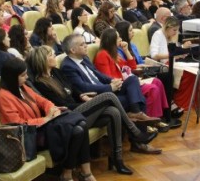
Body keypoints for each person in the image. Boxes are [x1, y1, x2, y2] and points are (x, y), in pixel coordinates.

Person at [27, 45, 161, 168]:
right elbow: (62, 104)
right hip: (68, 114)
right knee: (109, 96)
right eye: (51, 55)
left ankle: (117, 159)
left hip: (78, 107)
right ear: (42, 60)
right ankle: (136, 133)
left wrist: (81, 96)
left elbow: (72, 89)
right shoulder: (41, 83)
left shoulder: (56, 72)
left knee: (112, 111)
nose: (55, 55)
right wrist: (85, 103)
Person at [0, 57, 98, 181]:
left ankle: (77, 173)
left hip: (42, 128)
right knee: (77, 127)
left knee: (80, 126)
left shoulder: (22, 88)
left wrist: (53, 108)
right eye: (23, 75)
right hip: (29, 137)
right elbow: (18, 124)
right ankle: (74, 174)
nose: (27, 77)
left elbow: (43, 101)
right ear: (12, 77)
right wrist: (46, 119)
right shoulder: (4, 97)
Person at [61, 34, 156, 122]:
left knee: (132, 79)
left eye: (85, 43)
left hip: (106, 89)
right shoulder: (67, 66)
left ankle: (136, 114)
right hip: (97, 97)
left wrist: (112, 80)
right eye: (82, 44)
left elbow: (98, 74)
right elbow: (84, 87)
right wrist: (109, 87)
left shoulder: (84, 58)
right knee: (134, 97)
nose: (86, 46)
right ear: (72, 50)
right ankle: (141, 124)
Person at [94, 28, 170, 130]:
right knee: (151, 88)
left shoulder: (114, 53)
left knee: (157, 82)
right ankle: (144, 118)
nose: (121, 39)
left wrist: (125, 50)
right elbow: (109, 79)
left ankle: (158, 117)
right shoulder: (102, 55)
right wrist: (128, 80)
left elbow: (132, 66)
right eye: (118, 38)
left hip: (125, 83)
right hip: (118, 87)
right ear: (112, 40)